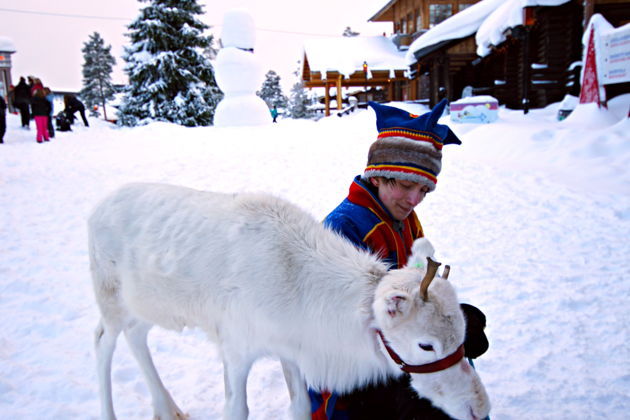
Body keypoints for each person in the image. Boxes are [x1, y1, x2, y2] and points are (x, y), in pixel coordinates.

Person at [310, 99, 488, 420]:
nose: (414, 200)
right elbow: (335, 326)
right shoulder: (344, 228)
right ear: (378, 176)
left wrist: (448, 318)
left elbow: (418, 286)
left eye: (424, 190)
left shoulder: (404, 218)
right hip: (353, 373)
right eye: (406, 185)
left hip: (401, 346)